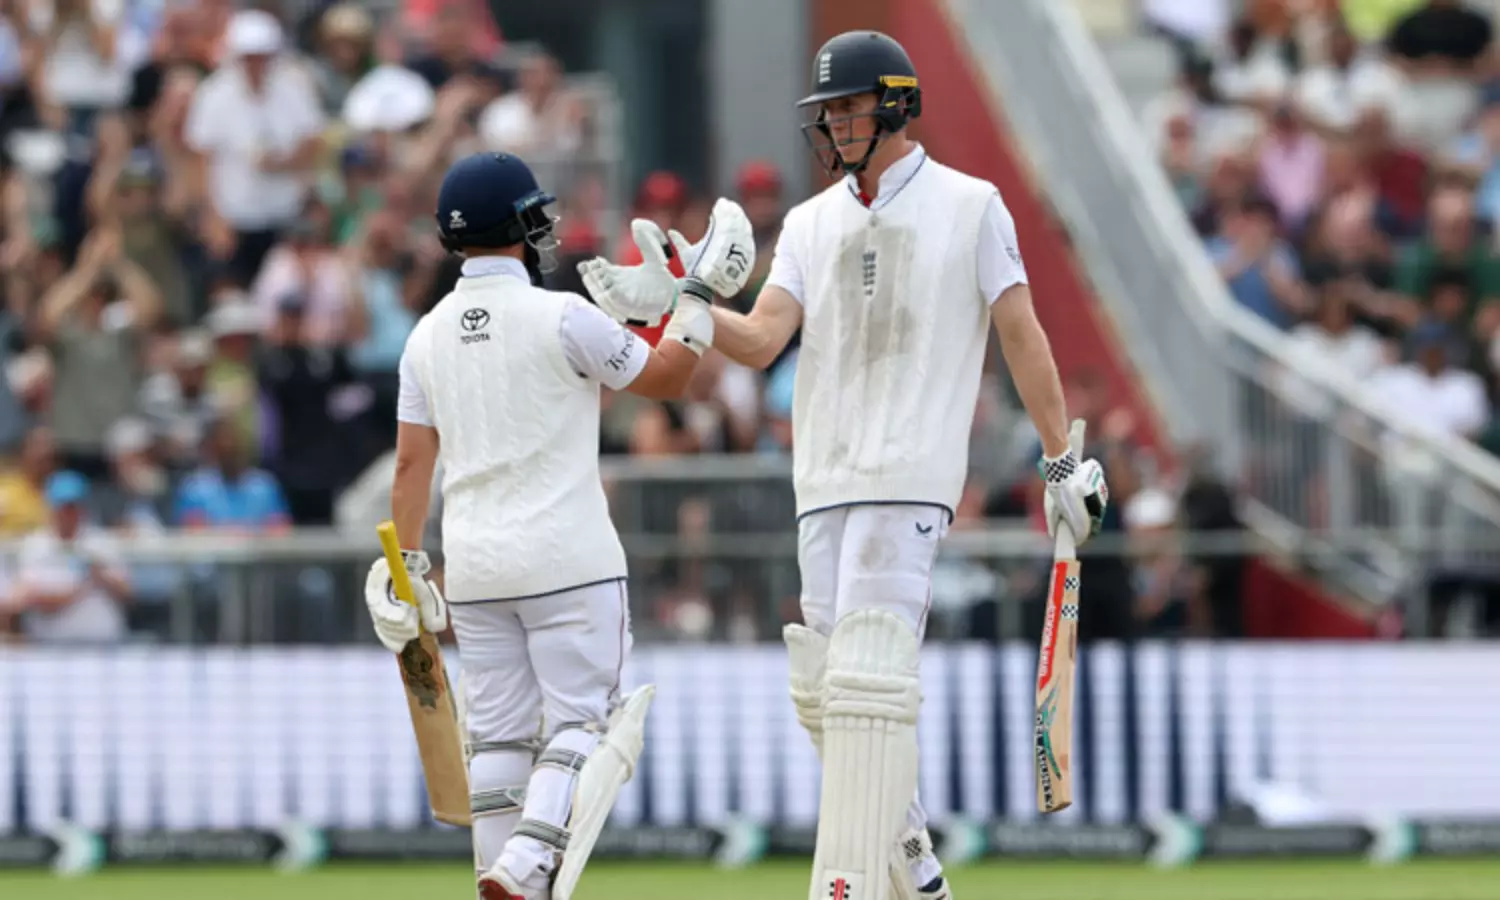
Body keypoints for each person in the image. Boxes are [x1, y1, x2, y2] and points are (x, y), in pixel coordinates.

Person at [587, 31, 1109, 900]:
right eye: (826, 112)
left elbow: (1021, 331)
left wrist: (1059, 462)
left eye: (848, 107)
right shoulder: (808, 221)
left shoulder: (971, 204)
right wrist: (691, 302)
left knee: (869, 681)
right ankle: (920, 877)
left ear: (897, 105)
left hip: (909, 472)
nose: (832, 125)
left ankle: (847, 886)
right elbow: (762, 340)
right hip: (821, 478)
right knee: (829, 698)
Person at [361, 151, 753, 900]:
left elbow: (412, 466)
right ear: (517, 226)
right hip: (568, 559)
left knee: (500, 738)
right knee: (585, 722)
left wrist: (405, 566)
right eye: (537, 217)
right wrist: (697, 296)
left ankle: (499, 870)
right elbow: (670, 377)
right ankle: (523, 863)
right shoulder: (563, 315)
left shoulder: (425, 336)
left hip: (475, 571)